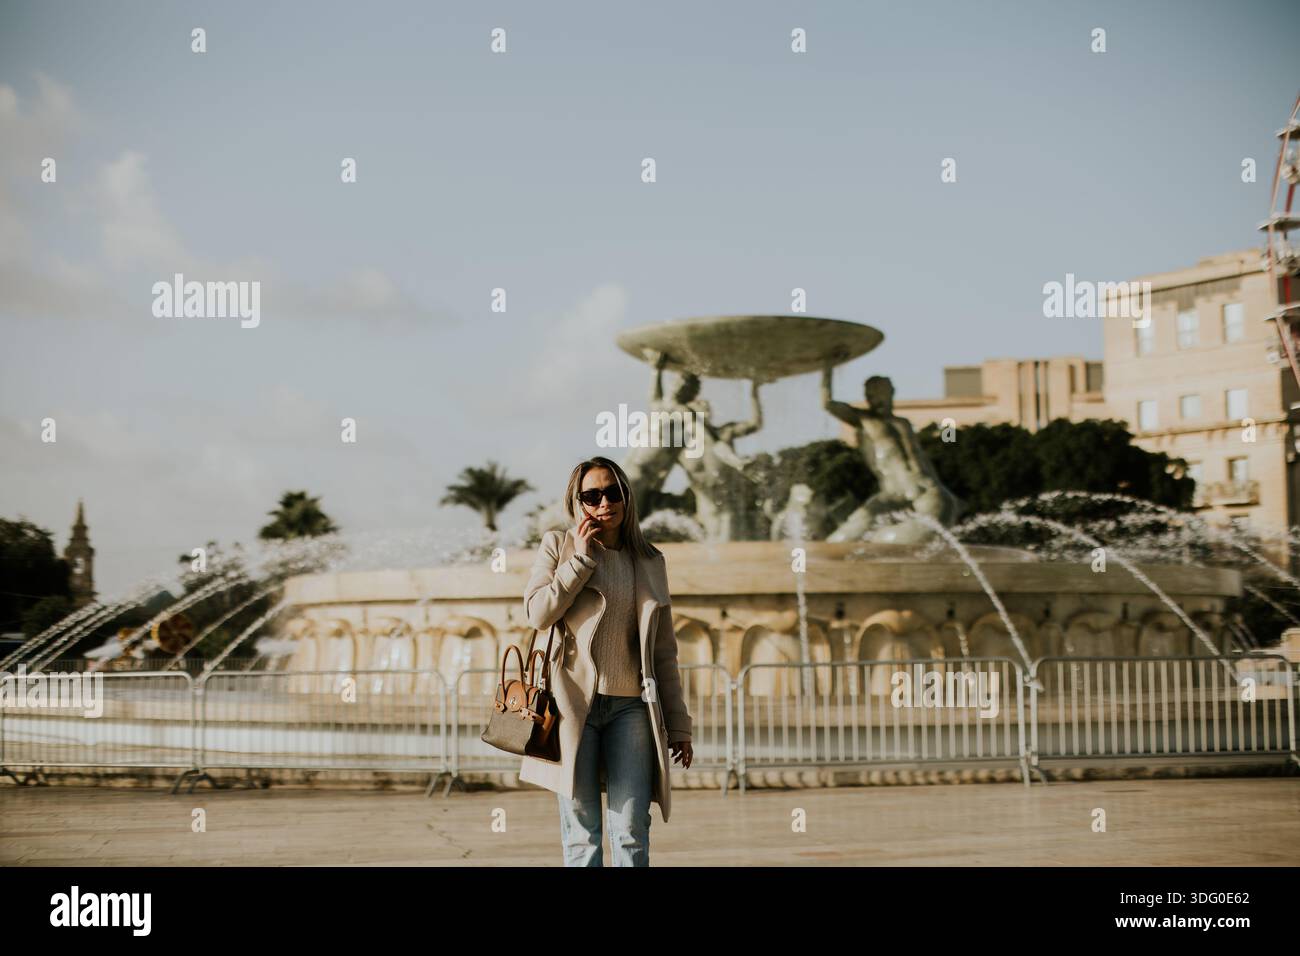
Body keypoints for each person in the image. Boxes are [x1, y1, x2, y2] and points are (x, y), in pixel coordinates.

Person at [520, 456, 694, 866]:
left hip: (631, 709)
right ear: (577, 502)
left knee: (631, 831)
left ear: (626, 497)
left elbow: (664, 651)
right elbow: (538, 613)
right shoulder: (558, 546)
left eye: (612, 492)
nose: (604, 503)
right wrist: (579, 561)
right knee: (583, 834)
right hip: (570, 708)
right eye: (592, 495)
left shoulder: (649, 561)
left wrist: (679, 724)